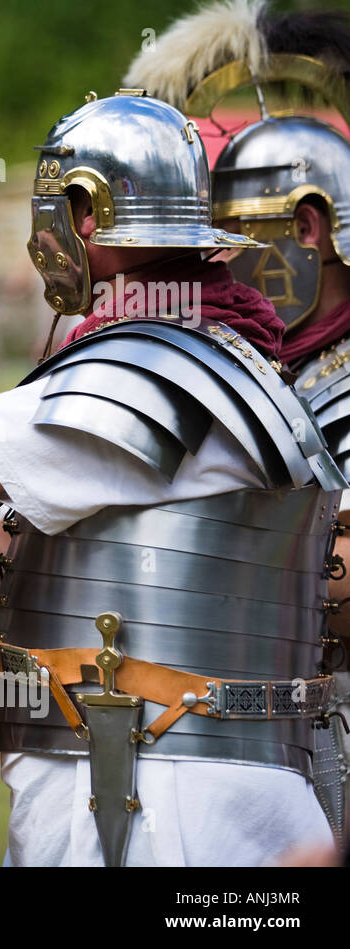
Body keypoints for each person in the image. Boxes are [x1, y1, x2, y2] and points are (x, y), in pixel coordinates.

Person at [0, 91, 346, 866]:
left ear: (85, 213)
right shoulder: (209, 350)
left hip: (158, 802)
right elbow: (3, 576)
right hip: (165, 786)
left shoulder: (146, 373)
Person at [124, 0, 350, 853]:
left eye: (240, 233)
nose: (218, 257)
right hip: (226, 747)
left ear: (310, 227)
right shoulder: (260, 370)